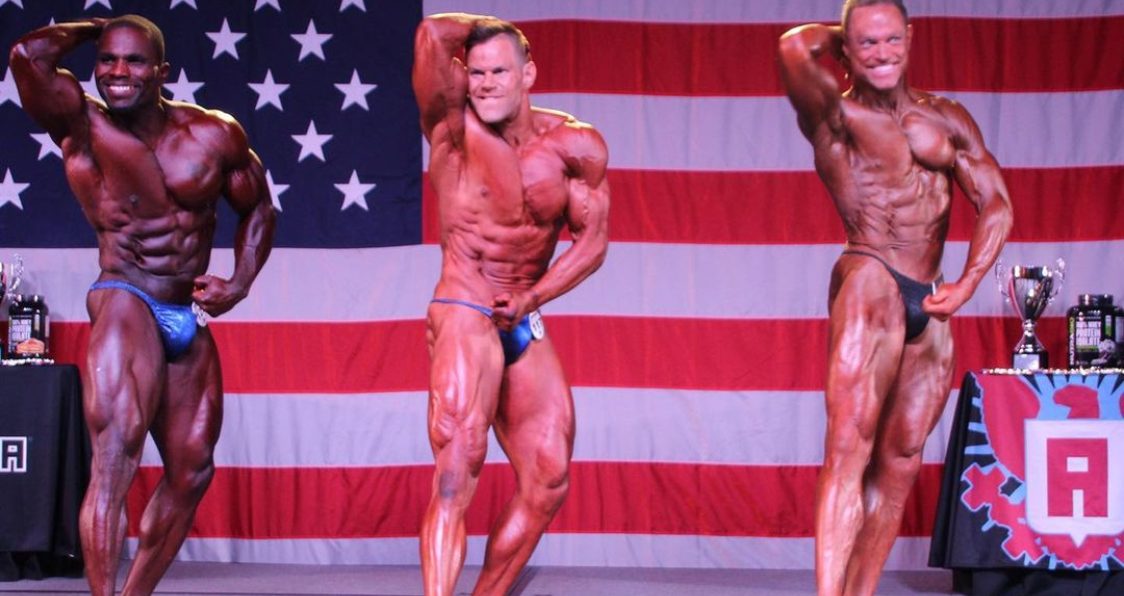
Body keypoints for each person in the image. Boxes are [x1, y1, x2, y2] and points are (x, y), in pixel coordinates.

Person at [9, 15, 275, 595]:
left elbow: (258, 207)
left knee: (192, 470)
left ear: (162, 71)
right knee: (115, 453)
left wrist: (240, 283)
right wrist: (99, 26)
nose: (117, 72)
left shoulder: (212, 134)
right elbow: (27, 56)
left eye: (133, 60)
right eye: (107, 60)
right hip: (125, 293)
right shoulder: (81, 124)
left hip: (183, 312)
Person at [777, 1, 1012, 594]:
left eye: (891, 39)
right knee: (848, 449)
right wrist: (844, 32)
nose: (881, 53)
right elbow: (792, 48)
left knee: (902, 462)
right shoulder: (835, 115)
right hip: (871, 274)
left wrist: (967, 282)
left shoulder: (947, 117)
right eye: (866, 43)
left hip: (931, 298)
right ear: (846, 48)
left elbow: (996, 202)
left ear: (911, 37)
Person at [412, 12, 610, 596]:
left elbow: (593, 242)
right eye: (476, 72)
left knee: (548, 477)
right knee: (457, 469)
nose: (486, 84)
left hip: (522, 314)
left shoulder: (573, 144)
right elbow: (431, 35)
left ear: (528, 75)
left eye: (500, 71)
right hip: (465, 306)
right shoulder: (451, 126)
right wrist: (488, 28)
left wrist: (532, 297)